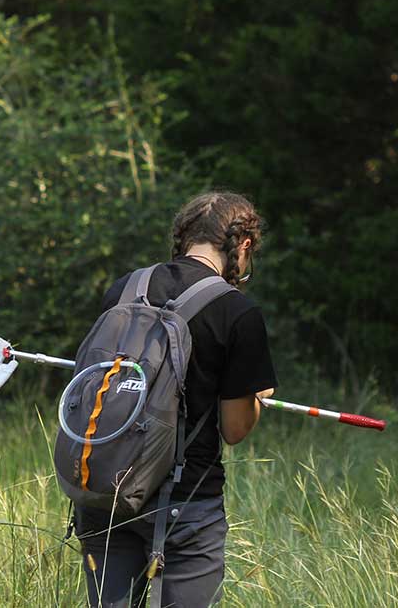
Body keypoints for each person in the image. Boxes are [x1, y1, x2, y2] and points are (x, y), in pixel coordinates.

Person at [75, 191, 277, 607]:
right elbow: (236, 429)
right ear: (243, 245)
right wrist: (256, 396)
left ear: (184, 237)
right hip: (187, 505)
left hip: (104, 491)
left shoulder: (124, 289)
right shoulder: (237, 312)